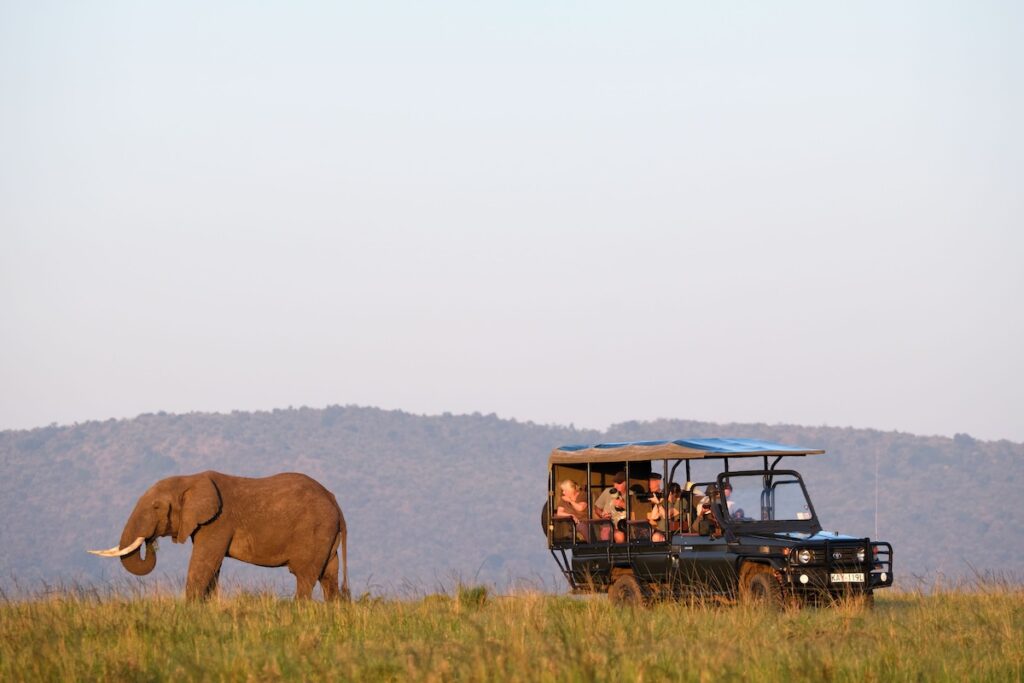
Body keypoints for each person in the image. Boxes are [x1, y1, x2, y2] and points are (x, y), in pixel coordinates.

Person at [594, 471, 629, 543]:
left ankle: (621, 553)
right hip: (608, 522)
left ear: (626, 483)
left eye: (619, 483)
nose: (615, 486)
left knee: (619, 534)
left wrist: (623, 505)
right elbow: (597, 508)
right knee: (605, 532)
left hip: (623, 524)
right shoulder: (608, 491)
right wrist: (602, 515)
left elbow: (637, 512)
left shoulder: (631, 495)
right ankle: (606, 553)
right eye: (614, 483)